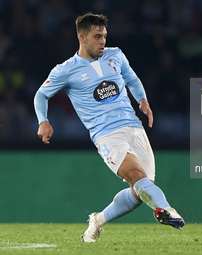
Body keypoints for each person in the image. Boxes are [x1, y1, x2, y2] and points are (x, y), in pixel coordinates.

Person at [34, 13, 185, 242]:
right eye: (97, 37)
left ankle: (98, 220)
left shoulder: (116, 55)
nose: (102, 41)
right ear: (82, 38)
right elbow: (41, 95)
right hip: (106, 134)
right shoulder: (66, 69)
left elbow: (132, 79)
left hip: (134, 127)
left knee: (140, 190)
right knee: (136, 176)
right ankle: (166, 210)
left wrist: (142, 100)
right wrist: (43, 120)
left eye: (104, 36)